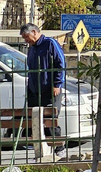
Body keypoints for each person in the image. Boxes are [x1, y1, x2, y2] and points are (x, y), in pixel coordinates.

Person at [19, 23, 66, 156]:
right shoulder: (32, 48)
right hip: (34, 90)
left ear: (34, 32)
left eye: (26, 37)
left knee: (51, 119)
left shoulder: (50, 43)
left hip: (50, 90)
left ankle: (59, 148)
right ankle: (41, 150)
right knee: (36, 121)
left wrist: (57, 84)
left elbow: (60, 63)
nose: (26, 40)